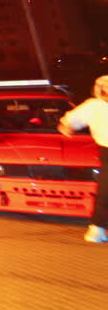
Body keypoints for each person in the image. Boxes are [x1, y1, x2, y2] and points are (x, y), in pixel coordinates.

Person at [58, 74, 108, 243]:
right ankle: (97, 229)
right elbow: (71, 119)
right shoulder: (93, 106)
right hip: (107, 150)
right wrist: (67, 126)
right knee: (105, 191)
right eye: (105, 85)